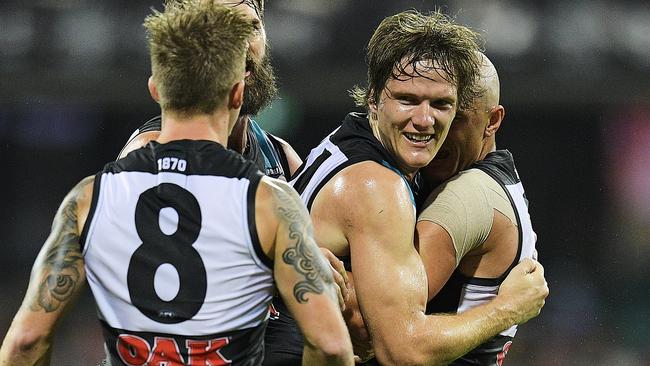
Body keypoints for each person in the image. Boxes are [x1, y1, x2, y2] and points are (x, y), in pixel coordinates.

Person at [0, 2, 353, 365]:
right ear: (235, 91)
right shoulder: (269, 201)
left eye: (251, 27)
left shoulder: (90, 196)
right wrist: (282, 263)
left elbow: (25, 341)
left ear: (156, 88)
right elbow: (328, 342)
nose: (243, 45)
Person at [271, 9, 549, 365]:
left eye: (442, 104)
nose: (423, 120)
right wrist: (506, 309)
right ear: (373, 99)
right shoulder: (377, 187)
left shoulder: (344, 142)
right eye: (407, 100)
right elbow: (402, 351)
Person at [416, 54, 536, 365]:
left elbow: (381, 330)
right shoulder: (503, 184)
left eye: (455, 119)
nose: (434, 130)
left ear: (493, 120)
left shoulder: (464, 197)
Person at [118, 0, 302, 183]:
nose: (243, 46)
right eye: (225, 30)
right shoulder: (147, 160)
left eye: (252, 28)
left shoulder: (281, 158)